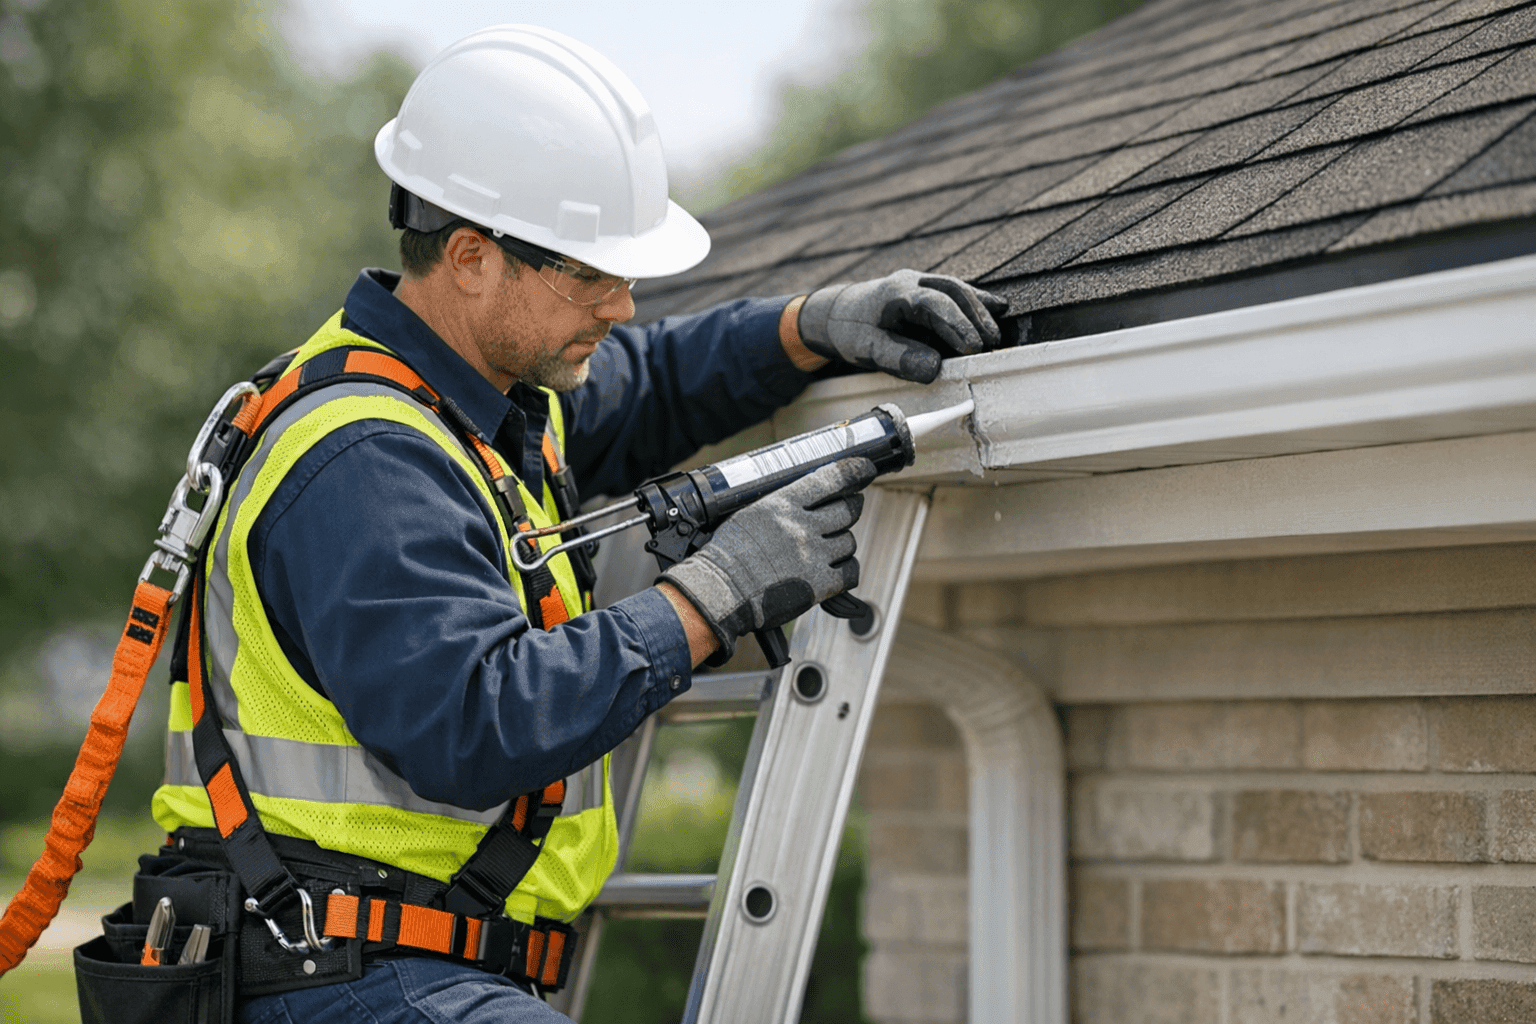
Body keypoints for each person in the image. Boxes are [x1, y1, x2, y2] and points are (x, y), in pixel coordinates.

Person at [145, 25, 1007, 1024]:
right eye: (589, 273)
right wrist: (712, 596)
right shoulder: (365, 460)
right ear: (472, 257)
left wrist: (807, 324)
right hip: (332, 974)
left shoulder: (482, 404)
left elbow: (658, 382)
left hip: (389, 961)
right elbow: (471, 721)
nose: (621, 302)